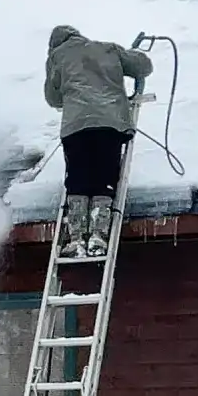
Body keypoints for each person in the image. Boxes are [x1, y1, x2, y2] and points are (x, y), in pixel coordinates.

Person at [43, 26, 153, 257]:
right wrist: (133, 56)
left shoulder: (57, 57)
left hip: (76, 128)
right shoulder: (106, 48)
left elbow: (53, 98)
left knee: (78, 180)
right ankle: (99, 236)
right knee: (105, 177)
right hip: (110, 124)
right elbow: (143, 66)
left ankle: (75, 239)